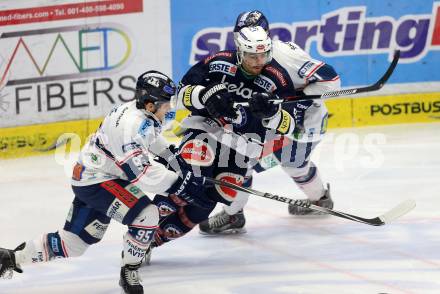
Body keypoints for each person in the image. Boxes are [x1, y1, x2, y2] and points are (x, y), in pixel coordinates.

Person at [0, 70, 213, 294]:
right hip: (97, 181)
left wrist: (174, 159)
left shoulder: (142, 113)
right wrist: (182, 184)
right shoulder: (130, 125)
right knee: (147, 215)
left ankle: (11, 257)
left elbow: (151, 138)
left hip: (93, 176)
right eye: (165, 104)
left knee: (72, 245)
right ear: (150, 105)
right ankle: (129, 270)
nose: (169, 108)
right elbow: (143, 175)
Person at [143, 25, 315, 251]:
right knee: (187, 182)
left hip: (243, 147)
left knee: (204, 205)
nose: (258, 61)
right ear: (241, 51)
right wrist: (203, 95)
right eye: (252, 55)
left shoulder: (278, 79)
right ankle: (141, 233)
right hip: (206, 131)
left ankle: (150, 243)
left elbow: (290, 125)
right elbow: (182, 92)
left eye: (263, 55)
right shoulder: (217, 63)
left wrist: (273, 114)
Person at [198, 10, 341, 234]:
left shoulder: (286, 55)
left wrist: (295, 101)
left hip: (302, 125)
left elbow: (331, 81)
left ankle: (234, 215)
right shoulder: (238, 58)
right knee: (251, 162)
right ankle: (236, 213)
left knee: (275, 164)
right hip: (272, 125)